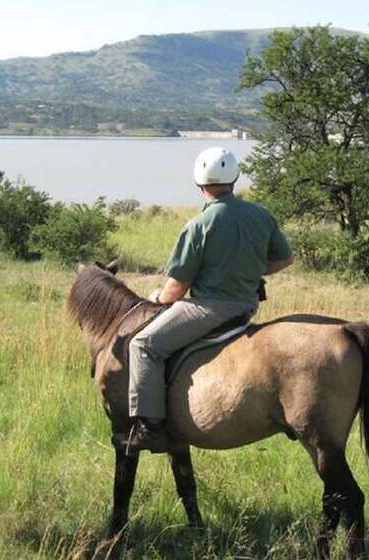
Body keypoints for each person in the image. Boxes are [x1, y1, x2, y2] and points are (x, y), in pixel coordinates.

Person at [125, 147, 293, 453]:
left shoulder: (197, 226)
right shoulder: (260, 215)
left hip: (208, 309)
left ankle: (150, 428)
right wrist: (253, 271)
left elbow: (177, 288)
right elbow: (284, 258)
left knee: (143, 345)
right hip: (245, 306)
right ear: (234, 179)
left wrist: (158, 297)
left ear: (200, 185)